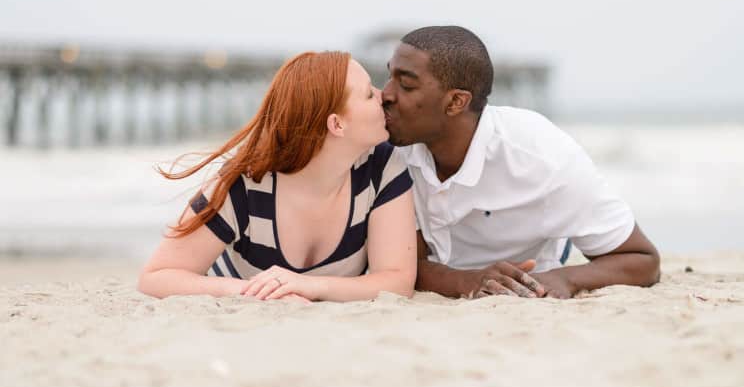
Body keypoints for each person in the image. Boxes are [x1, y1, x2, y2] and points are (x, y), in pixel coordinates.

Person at [380, 25, 660, 299]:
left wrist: (564, 278)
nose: (386, 94)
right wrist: (465, 280)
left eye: (405, 85)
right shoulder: (392, 147)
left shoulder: (542, 156)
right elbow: (404, 266)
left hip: (534, 259)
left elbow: (642, 259)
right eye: (389, 77)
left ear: (455, 102)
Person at [137, 51, 416, 301]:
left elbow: (397, 280)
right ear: (337, 124)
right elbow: (158, 276)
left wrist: (309, 286)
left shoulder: (383, 167)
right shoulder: (246, 183)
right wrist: (262, 291)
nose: (384, 96)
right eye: (369, 94)